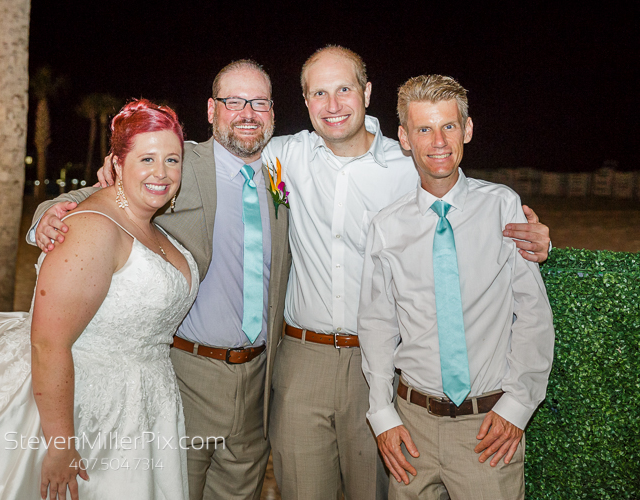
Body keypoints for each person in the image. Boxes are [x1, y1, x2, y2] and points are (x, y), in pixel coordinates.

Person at [260, 46, 553, 499]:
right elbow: (227, 154)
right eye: (319, 92)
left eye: (344, 89)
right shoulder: (283, 156)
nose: (333, 104)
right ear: (304, 100)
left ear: (366, 92)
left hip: (398, 375)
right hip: (312, 359)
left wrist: (542, 242)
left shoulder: (422, 167)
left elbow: (524, 302)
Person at [29, 60, 290, 500]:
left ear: (272, 111)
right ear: (212, 110)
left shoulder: (287, 171)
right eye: (234, 101)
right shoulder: (178, 162)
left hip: (258, 384)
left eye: (259, 102)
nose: (247, 113)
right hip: (188, 376)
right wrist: (46, 218)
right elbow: (98, 199)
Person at [0, 99, 198, 500]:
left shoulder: (150, 225)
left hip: (145, 402)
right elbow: (49, 343)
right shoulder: (91, 229)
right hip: (90, 411)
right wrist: (61, 444)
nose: (162, 172)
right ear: (116, 163)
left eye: (172, 160)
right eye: (147, 159)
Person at [357, 75, 555, 499]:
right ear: (404, 138)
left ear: (467, 129)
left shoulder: (502, 206)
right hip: (411, 426)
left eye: (448, 126)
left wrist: (517, 408)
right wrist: (382, 414)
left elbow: (533, 315)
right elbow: (377, 326)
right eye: (424, 129)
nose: (438, 141)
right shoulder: (386, 226)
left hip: (487, 430)